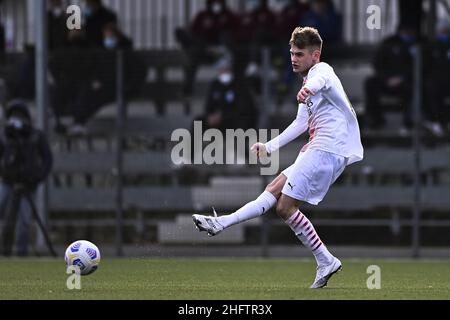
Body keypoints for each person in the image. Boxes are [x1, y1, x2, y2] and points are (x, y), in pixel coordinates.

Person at [192, 27, 364, 288]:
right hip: (319, 147)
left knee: (284, 207)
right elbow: (300, 122)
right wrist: (270, 146)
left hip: (328, 148)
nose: (293, 58)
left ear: (315, 55)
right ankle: (221, 223)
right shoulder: (307, 82)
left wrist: (309, 90)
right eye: (291, 53)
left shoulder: (321, 71)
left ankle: (325, 260)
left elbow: (322, 81)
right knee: (273, 188)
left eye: (299, 54)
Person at [0, 100, 53, 256]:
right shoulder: (5, 136)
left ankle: (21, 254)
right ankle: (4, 251)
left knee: (24, 221)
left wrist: (38, 176)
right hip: (7, 181)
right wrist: (4, 171)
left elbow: (47, 159)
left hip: (28, 184)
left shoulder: (36, 136)